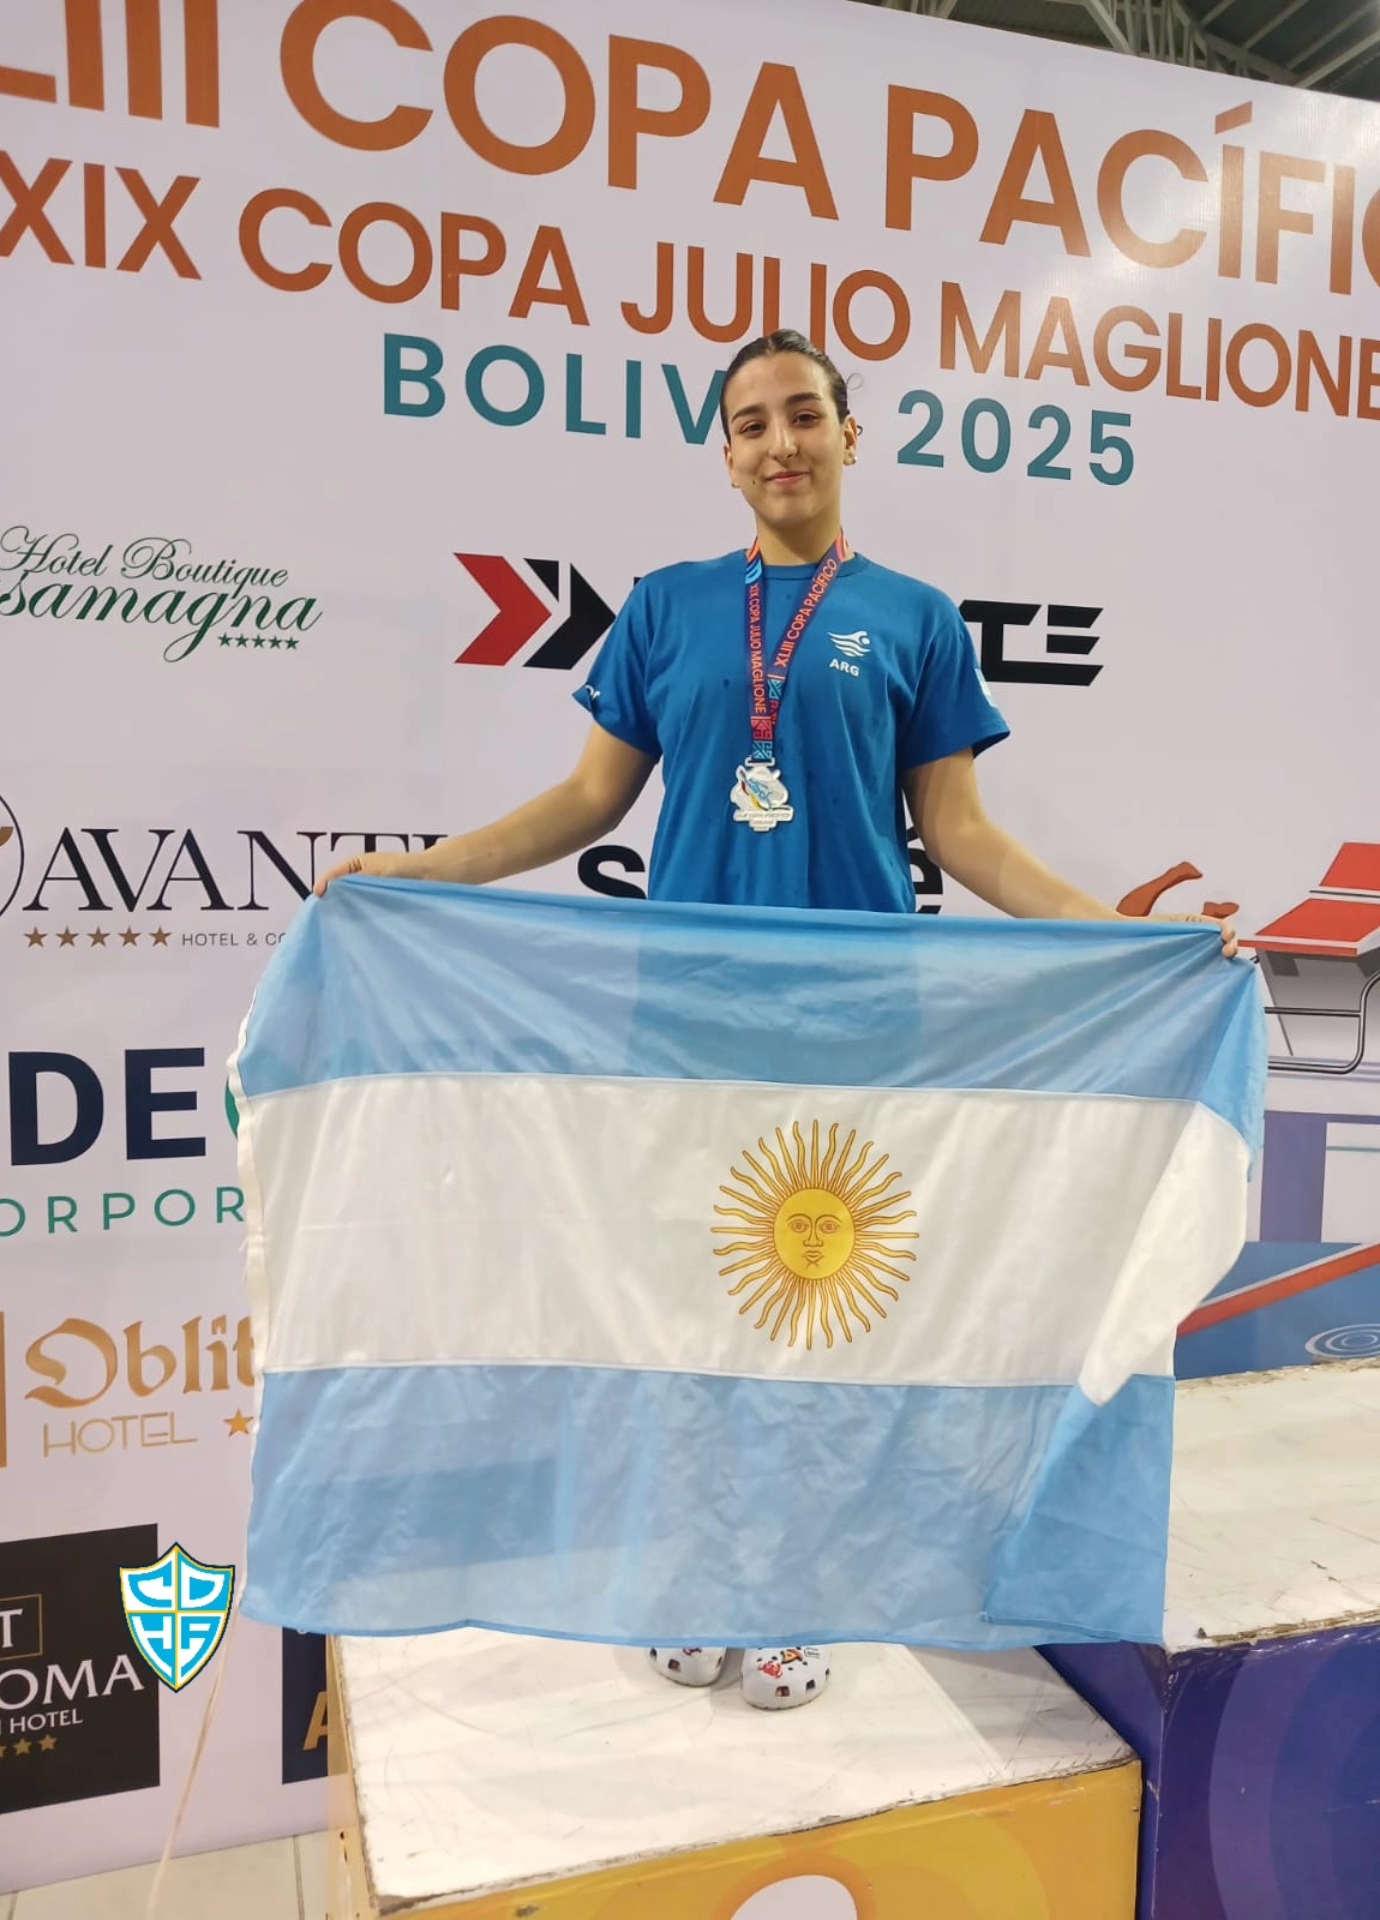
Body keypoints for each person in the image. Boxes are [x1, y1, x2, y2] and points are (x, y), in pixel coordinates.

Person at [316, 328, 1237, 1711]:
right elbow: (582, 806)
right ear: (726, 453)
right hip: (687, 1030)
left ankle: (805, 1587)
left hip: (858, 1029)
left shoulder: (917, 616)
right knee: (690, 1317)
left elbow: (962, 834)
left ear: (852, 433)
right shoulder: (666, 607)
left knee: (820, 1324)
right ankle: (699, 1576)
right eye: (751, 424)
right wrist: (413, 870)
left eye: (804, 415)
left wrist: (1117, 931)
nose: (781, 444)